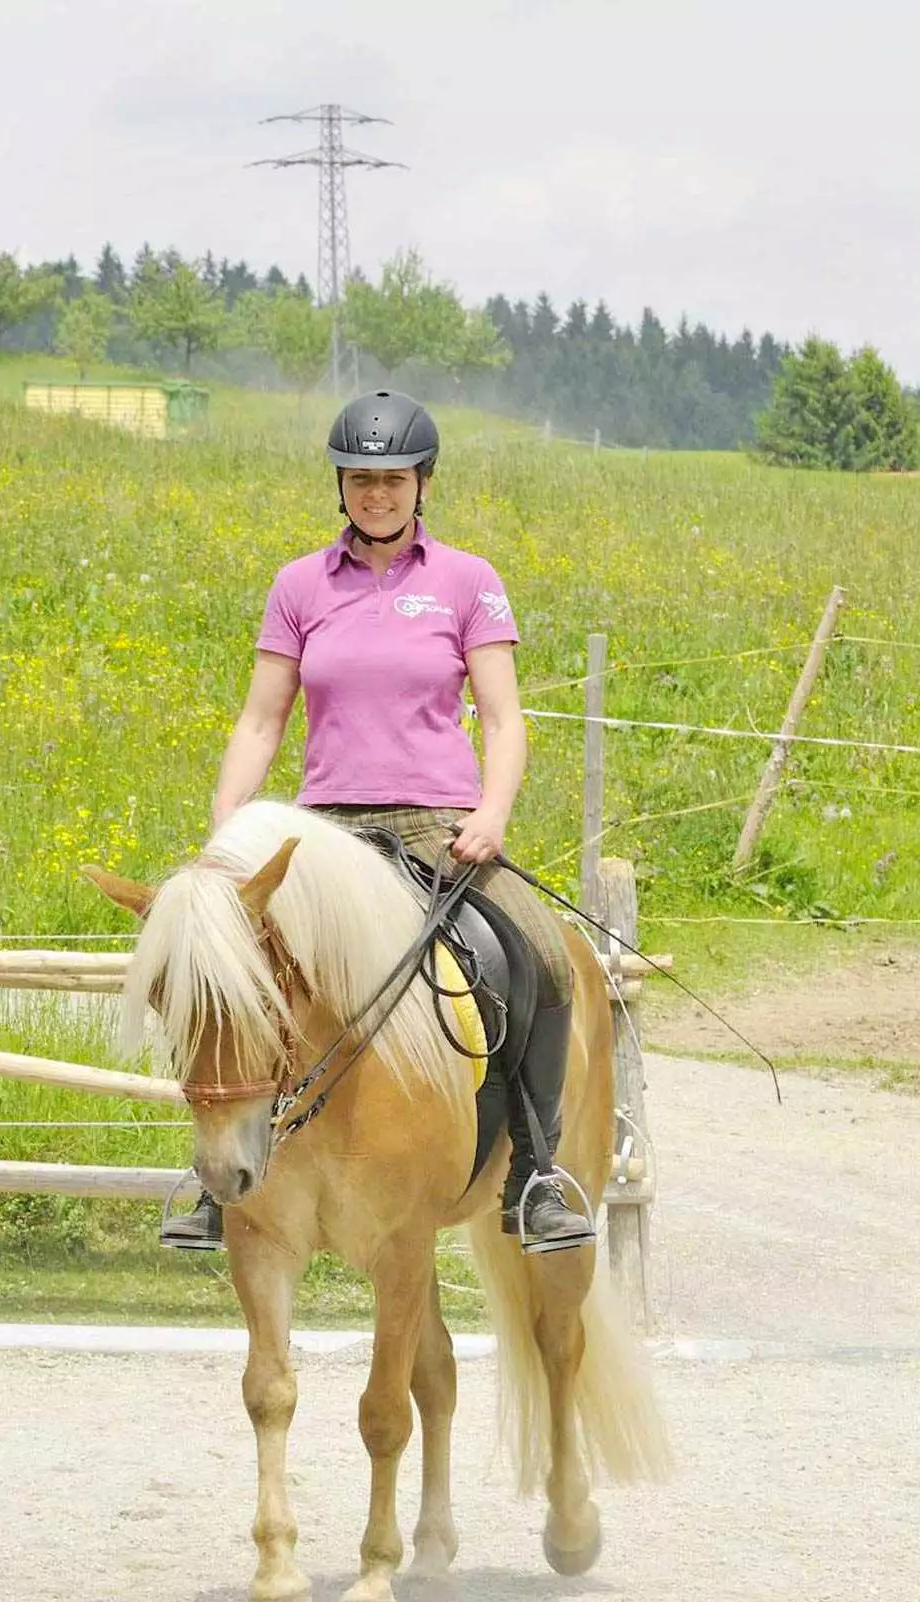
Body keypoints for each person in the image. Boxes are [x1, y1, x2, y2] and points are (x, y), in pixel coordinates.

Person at [164, 389, 593, 1255]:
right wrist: (227, 832)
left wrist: (493, 813)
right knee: (221, 961)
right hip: (326, 831)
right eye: (361, 480)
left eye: (393, 479)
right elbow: (260, 721)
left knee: (542, 956)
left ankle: (536, 1173)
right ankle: (213, 1180)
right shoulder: (298, 586)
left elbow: (504, 720)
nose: (376, 496)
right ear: (342, 486)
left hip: (438, 824)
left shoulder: (467, 582)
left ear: (421, 483)